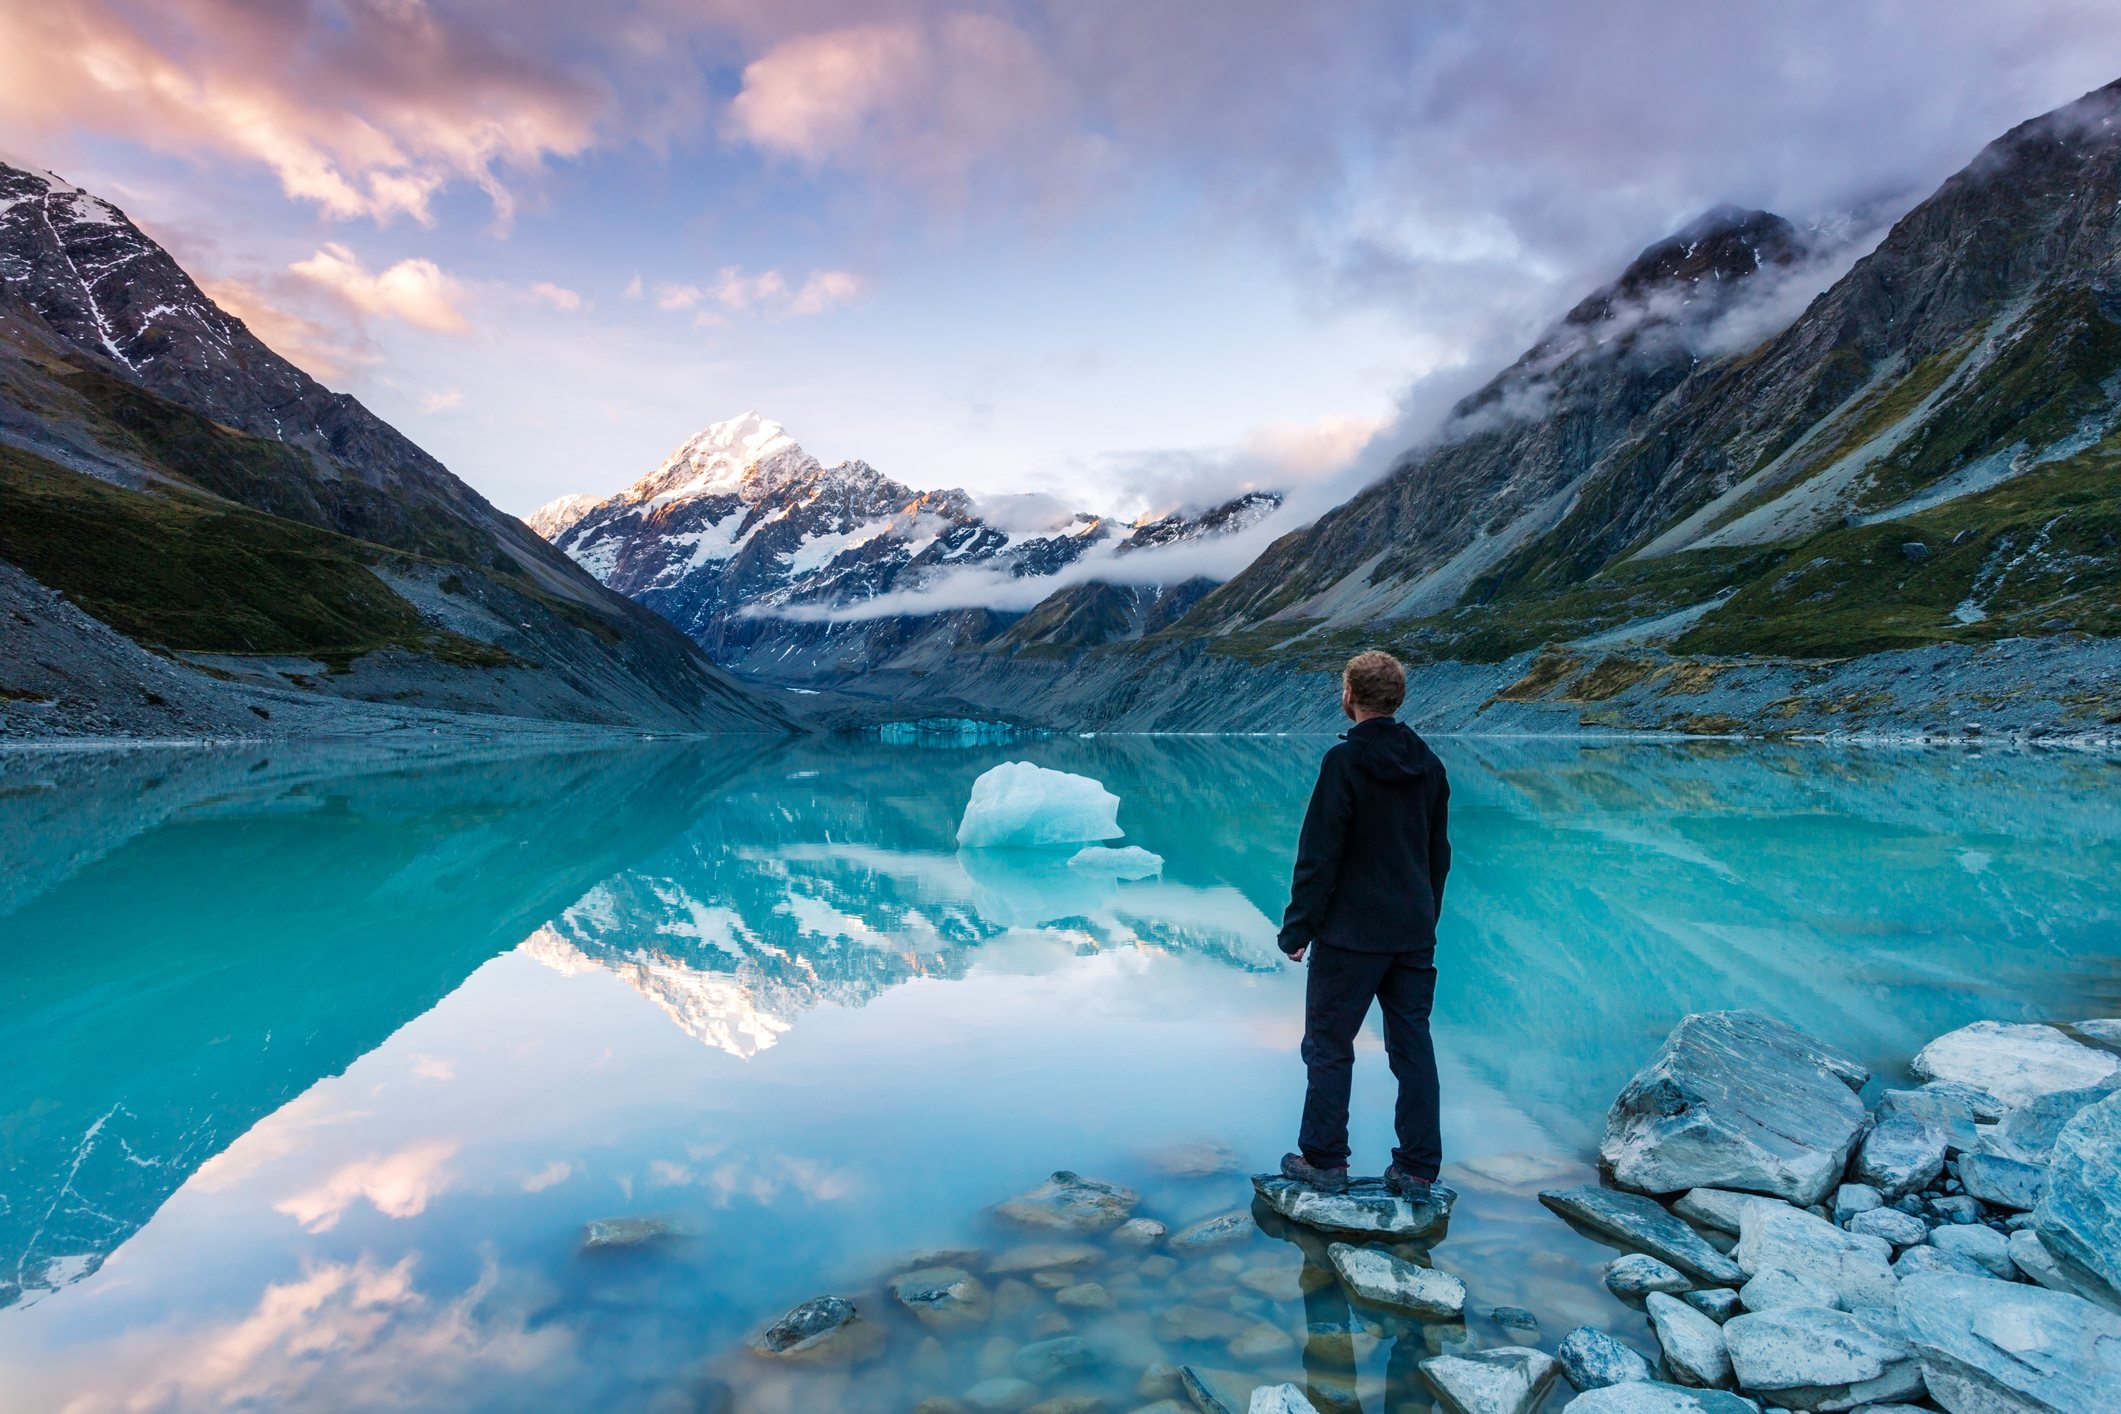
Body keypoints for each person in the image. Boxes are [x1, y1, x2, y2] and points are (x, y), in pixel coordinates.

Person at [1276, 650, 1451, 1199]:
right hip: (1412, 931)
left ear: (1349, 696)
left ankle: (1324, 1161)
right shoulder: (1429, 764)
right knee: (1412, 1046)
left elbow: (1319, 855)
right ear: (1398, 699)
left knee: (1330, 1045)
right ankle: (1418, 1168)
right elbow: (1437, 855)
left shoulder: (1343, 763)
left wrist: (1297, 929)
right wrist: (1425, 915)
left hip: (1350, 935)